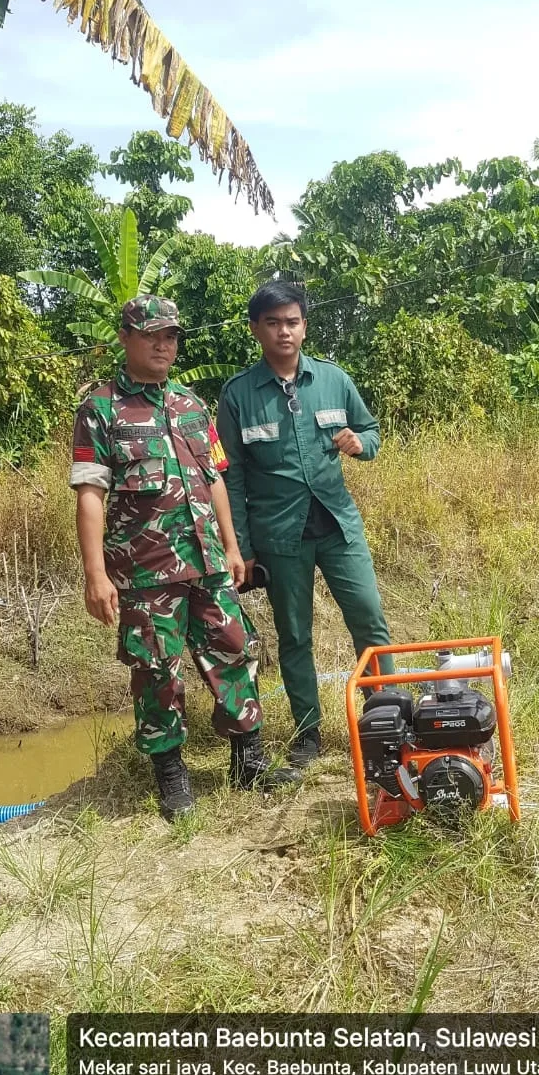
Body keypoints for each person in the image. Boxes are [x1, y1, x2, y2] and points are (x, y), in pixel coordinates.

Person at [70, 294, 296, 820]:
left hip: (209, 561)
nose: (162, 344)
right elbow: (89, 494)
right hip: (146, 570)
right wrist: (96, 575)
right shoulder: (100, 409)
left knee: (235, 650)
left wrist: (233, 547)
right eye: (151, 334)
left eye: (170, 335)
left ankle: (248, 761)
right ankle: (171, 776)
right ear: (125, 337)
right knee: (157, 669)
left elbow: (215, 477)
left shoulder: (191, 405)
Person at [217, 281, 394, 767]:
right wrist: (243, 549)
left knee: (369, 619)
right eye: (272, 323)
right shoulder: (237, 396)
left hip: (338, 525)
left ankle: (386, 717)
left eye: (292, 321)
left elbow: (371, 430)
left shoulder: (334, 380)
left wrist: (362, 445)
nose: (283, 332)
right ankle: (308, 734)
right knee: (294, 635)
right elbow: (229, 477)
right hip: (279, 535)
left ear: (305, 326)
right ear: (256, 329)